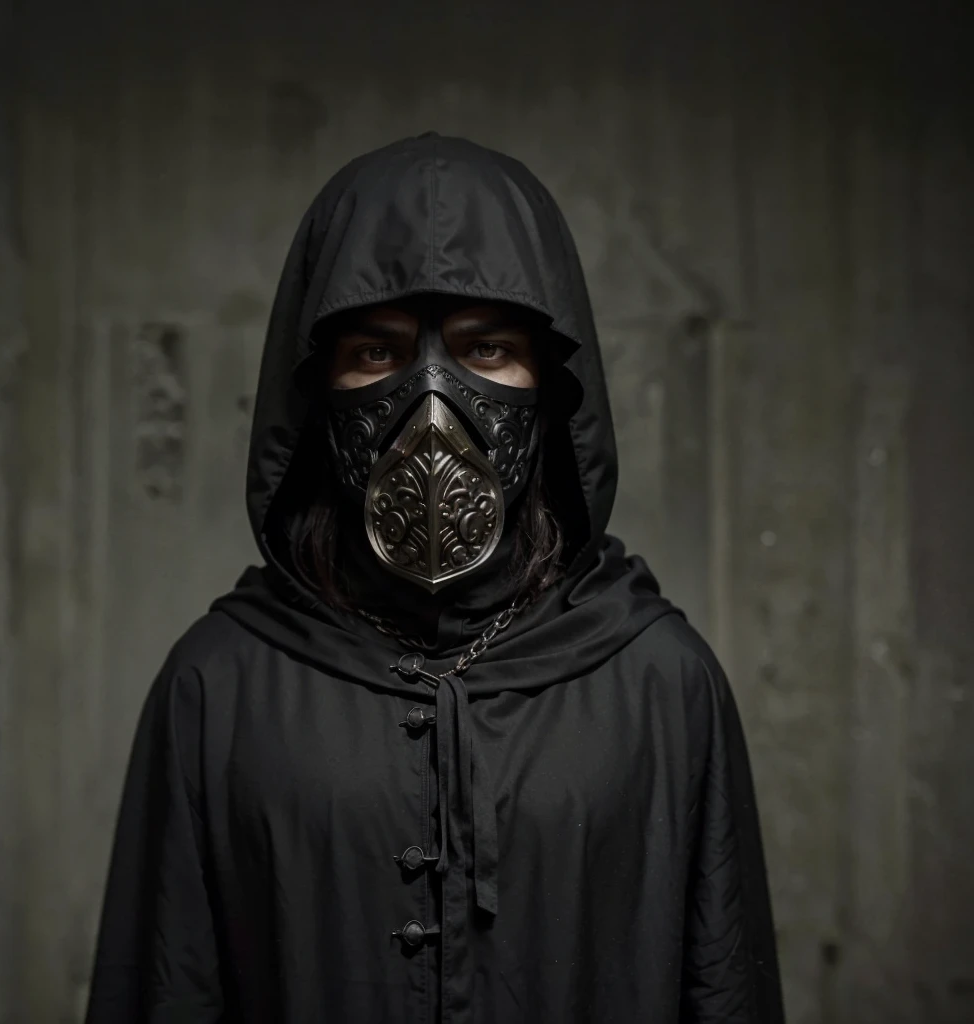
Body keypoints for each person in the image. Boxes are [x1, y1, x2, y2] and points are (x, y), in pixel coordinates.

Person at [85, 132, 784, 1024]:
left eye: (486, 348)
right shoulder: (217, 686)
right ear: (316, 390)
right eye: (376, 353)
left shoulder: (660, 683)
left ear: (553, 386)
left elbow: (725, 990)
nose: (432, 398)